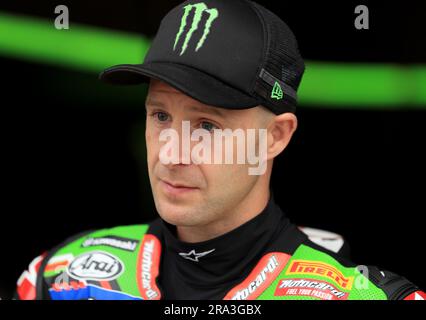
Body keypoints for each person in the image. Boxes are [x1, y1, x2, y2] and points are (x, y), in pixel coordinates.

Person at [16, 0, 424, 300]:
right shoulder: (64, 278)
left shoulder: (353, 295)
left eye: (207, 126)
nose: (171, 153)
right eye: (160, 116)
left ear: (276, 137)